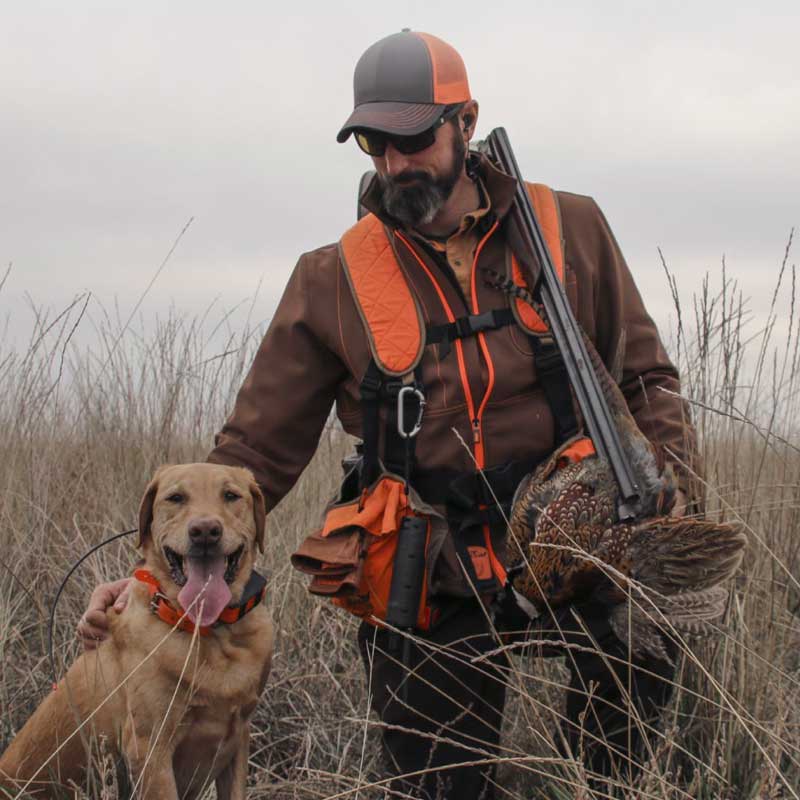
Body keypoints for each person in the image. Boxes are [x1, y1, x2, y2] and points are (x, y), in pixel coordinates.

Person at [79, 30, 696, 798]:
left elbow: (646, 382)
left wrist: (672, 503)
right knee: (440, 786)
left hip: (578, 538)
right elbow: (246, 461)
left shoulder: (570, 229)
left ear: (466, 123)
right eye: (374, 142)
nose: (395, 163)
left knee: (625, 743)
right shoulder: (332, 277)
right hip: (431, 568)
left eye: (414, 138)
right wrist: (146, 577)